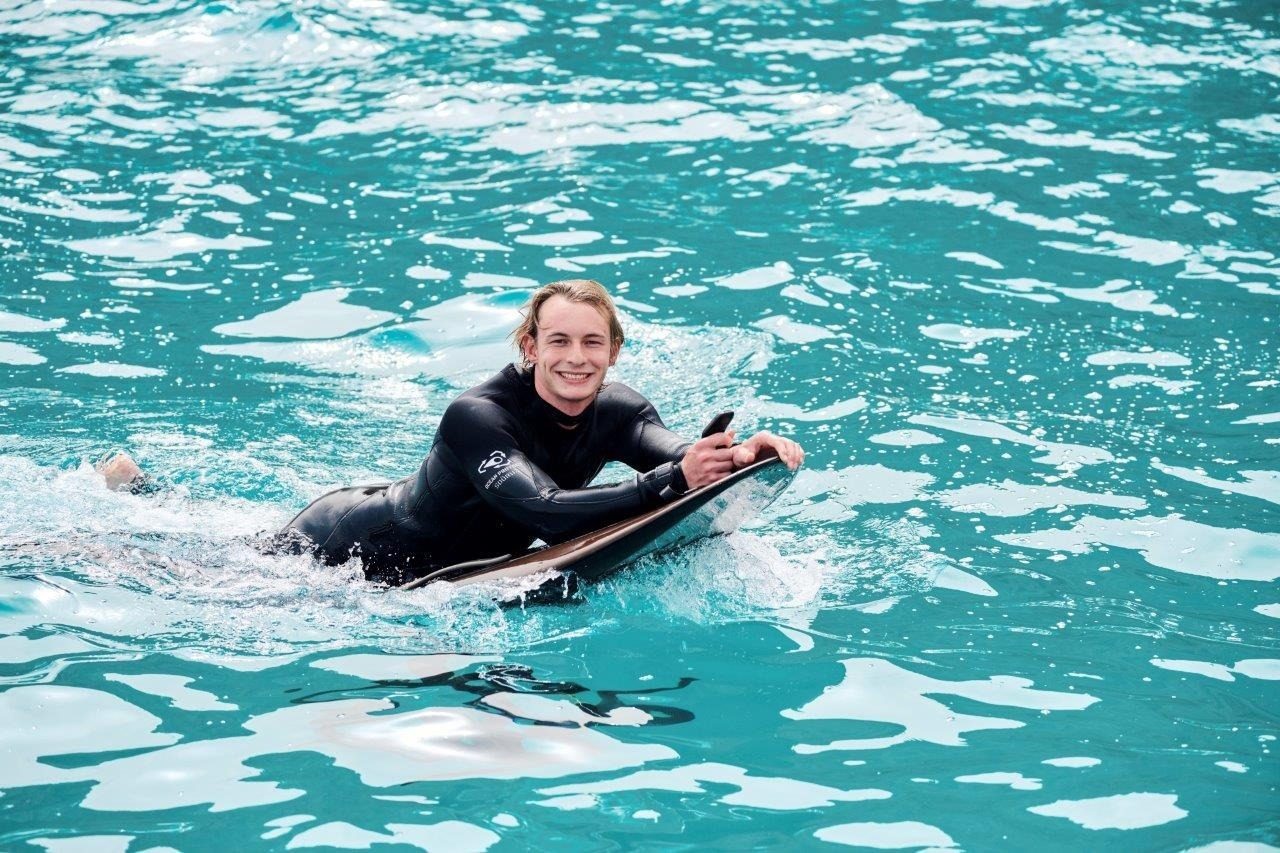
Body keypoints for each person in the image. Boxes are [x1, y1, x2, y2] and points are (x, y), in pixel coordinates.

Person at [101, 279, 804, 584]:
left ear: (613, 351)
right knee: (202, 571)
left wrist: (740, 453)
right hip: (349, 552)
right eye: (558, 341)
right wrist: (667, 483)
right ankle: (134, 500)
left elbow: (677, 456)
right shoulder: (477, 416)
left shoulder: (621, 409)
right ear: (529, 346)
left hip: (455, 560)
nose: (577, 358)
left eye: (593, 343)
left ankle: (150, 496)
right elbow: (542, 511)